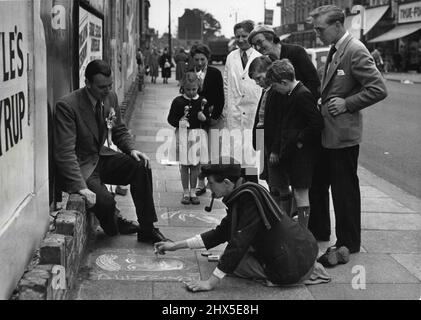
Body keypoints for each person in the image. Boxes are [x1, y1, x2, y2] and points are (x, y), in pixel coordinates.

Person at [154, 159, 319, 292]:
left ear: (226, 182)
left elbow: (238, 244)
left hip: (291, 266)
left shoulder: (247, 201)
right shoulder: (246, 193)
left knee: (234, 264)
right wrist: (175, 246)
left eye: (211, 183)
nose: (208, 188)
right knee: (229, 258)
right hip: (303, 251)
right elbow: (219, 234)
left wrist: (210, 282)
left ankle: (277, 276)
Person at [54, 59, 170, 243]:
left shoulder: (110, 97)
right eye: (101, 87)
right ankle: (114, 222)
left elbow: (119, 130)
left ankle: (147, 229)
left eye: (110, 85)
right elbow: (65, 153)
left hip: (101, 157)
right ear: (88, 84)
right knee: (106, 203)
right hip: (82, 166)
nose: (107, 90)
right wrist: (81, 187)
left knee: (141, 165)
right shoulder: (67, 106)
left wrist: (131, 149)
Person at [308, 5, 387, 266]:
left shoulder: (355, 50)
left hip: (343, 134)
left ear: (338, 24)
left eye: (320, 29)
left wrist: (347, 103)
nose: (317, 34)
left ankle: (348, 242)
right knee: (318, 184)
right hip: (327, 131)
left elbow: (378, 89)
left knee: (344, 191)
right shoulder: (336, 48)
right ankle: (319, 230)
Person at [248, 25, 321, 216]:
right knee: (274, 181)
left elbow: (313, 83)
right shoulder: (270, 65)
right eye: (255, 45)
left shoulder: (294, 54)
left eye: (260, 42)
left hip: (291, 135)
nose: (259, 46)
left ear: (272, 38)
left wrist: (302, 113)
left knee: (291, 185)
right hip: (277, 136)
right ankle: (283, 219)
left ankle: (289, 222)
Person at [265, 59, 324, 229]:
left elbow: (316, 123)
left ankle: (302, 232)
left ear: (284, 82)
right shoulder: (293, 93)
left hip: (303, 155)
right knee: (298, 192)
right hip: (297, 153)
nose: (276, 90)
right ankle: (298, 229)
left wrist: (299, 139)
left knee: (300, 193)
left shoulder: (301, 94)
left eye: (276, 86)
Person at [249, 56, 290, 214]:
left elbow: (280, 123)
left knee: (280, 182)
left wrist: (275, 148)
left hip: (272, 143)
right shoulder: (266, 91)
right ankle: (276, 214)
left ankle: (283, 217)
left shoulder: (277, 91)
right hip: (263, 140)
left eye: (259, 78)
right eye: (255, 80)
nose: (258, 82)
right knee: (269, 179)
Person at [223, 20, 262, 180]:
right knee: (236, 156)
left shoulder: (261, 57)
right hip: (235, 114)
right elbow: (226, 84)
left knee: (254, 155)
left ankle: (253, 188)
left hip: (255, 114)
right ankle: (238, 190)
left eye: (244, 36)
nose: (240, 40)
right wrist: (227, 108)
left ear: (251, 36)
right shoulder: (231, 57)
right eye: (237, 36)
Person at [167, 72, 210, 205]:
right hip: (183, 135)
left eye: (194, 89)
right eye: (188, 89)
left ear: (198, 87)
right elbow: (170, 119)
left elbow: (208, 120)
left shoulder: (202, 102)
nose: (191, 92)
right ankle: (186, 191)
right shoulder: (178, 101)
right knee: (185, 165)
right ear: (182, 88)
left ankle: (193, 191)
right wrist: (179, 121)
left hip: (197, 135)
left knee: (196, 165)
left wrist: (204, 118)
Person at [188, 44, 225, 196]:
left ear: (207, 58)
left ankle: (213, 183)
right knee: (197, 151)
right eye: (196, 59)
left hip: (213, 118)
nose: (200, 63)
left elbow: (220, 97)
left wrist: (214, 117)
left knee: (213, 152)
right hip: (195, 120)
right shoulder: (189, 73)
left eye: (202, 59)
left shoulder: (215, 73)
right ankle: (200, 183)